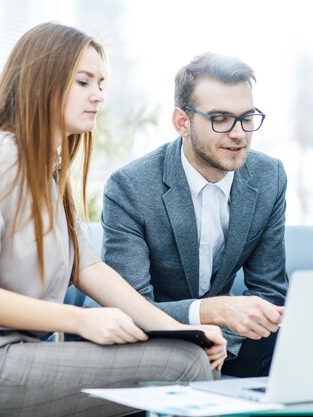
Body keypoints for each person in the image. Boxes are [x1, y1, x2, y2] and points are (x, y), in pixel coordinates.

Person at [0, 22, 226, 417]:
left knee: (187, 352)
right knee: (183, 365)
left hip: (21, 354)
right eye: (83, 82)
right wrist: (82, 321)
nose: (98, 96)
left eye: (101, 83)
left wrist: (185, 332)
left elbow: (89, 268)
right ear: (42, 81)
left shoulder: (51, 170)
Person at [100, 52, 288, 377]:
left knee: (296, 345)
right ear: (181, 122)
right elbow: (131, 305)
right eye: (220, 118)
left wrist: (219, 343)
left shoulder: (268, 177)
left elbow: (269, 291)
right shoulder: (130, 187)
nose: (239, 133)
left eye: (247, 117)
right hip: (146, 335)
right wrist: (211, 313)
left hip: (225, 340)